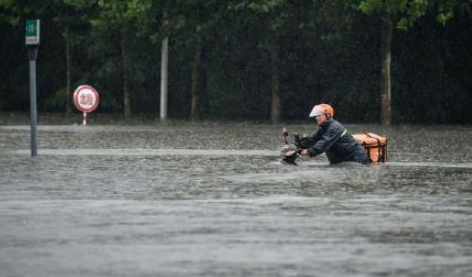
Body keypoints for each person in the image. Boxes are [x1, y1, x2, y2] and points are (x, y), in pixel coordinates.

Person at [298, 103, 369, 164]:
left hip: (356, 160)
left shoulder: (335, 127)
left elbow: (324, 143)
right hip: (341, 160)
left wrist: (308, 151)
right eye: (316, 116)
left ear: (327, 115)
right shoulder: (323, 128)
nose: (317, 118)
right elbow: (312, 140)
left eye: (319, 115)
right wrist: (298, 146)